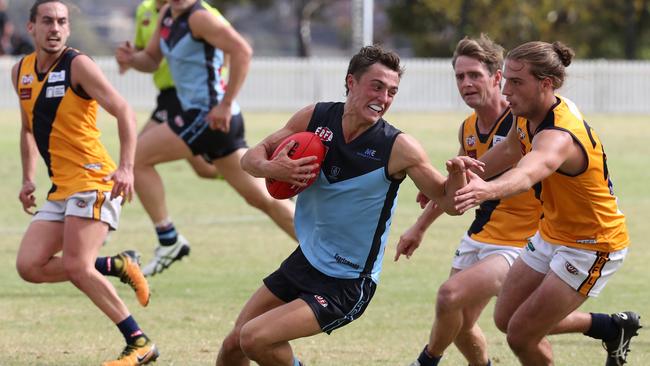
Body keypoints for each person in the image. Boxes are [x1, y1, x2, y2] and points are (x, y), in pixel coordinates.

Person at [215, 45, 482, 366]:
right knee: (234, 344)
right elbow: (250, 158)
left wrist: (457, 176)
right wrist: (274, 168)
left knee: (254, 338)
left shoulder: (398, 147)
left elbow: (450, 204)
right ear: (351, 82)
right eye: (377, 86)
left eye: (392, 92)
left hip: (346, 281)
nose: (384, 98)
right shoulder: (315, 117)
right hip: (307, 260)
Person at [450, 41, 641, 366]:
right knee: (507, 319)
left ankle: (608, 328)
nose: (505, 90)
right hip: (551, 234)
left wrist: (485, 190)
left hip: (592, 244)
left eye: (516, 82)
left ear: (546, 84)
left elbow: (526, 174)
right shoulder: (528, 112)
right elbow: (512, 149)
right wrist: (471, 172)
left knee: (521, 334)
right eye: (506, 79)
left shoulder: (559, 136)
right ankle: (612, 327)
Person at [13, 1, 158, 365]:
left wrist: (126, 168)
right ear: (31, 27)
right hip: (61, 187)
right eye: (47, 21)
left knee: (78, 267)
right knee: (29, 266)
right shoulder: (21, 71)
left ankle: (139, 342)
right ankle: (118, 265)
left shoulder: (78, 65)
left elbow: (124, 110)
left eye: (62, 22)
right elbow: (28, 129)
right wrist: (28, 178)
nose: (56, 28)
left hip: (95, 179)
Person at [115, 0, 296, 277]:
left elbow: (242, 51)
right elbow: (151, 60)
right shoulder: (166, 14)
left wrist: (225, 104)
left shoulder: (200, 18)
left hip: (208, 117)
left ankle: (168, 239)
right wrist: (131, 58)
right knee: (262, 199)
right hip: (210, 121)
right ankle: (324, 252)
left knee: (136, 159)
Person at [397, 35, 542, 366]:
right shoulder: (468, 128)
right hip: (482, 233)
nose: (466, 83)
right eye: (460, 76)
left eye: (474, 74)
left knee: (449, 297)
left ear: (496, 78)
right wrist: (419, 227)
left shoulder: (521, 122)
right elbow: (457, 190)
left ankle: (426, 361)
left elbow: (529, 173)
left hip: (523, 241)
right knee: (460, 325)